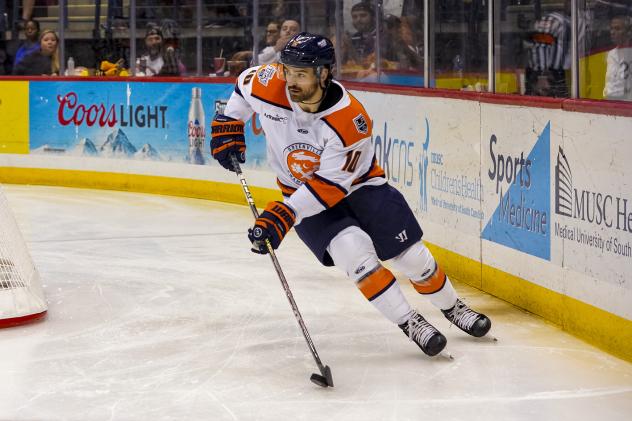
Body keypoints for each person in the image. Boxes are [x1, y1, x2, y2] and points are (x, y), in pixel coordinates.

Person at [210, 32, 492, 358]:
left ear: (324, 73)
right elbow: (242, 89)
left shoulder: (348, 119)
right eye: (287, 70)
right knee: (354, 255)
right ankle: (409, 321)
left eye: (301, 74)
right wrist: (228, 122)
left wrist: (286, 213)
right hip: (301, 192)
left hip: (360, 187)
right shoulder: (269, 82)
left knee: (411, 256)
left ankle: (452, 307)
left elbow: (330, 187)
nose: (290, 80)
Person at [603, 15, 632, 100]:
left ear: (628, 32)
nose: (612, 32)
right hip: (610, 102)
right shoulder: (610, 54)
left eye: (617, 29)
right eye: (611, 28)